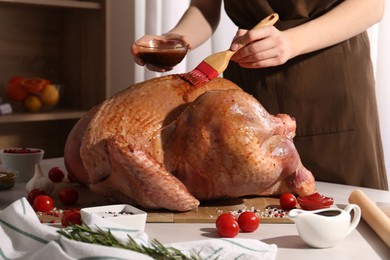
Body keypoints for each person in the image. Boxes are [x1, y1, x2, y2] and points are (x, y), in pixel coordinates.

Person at [131, 0, 388, 190]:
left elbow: (371, 5)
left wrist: (291, 42)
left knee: (346, 220)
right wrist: (178, 38)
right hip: (250, 82)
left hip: (331, 82)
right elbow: (204, 8)